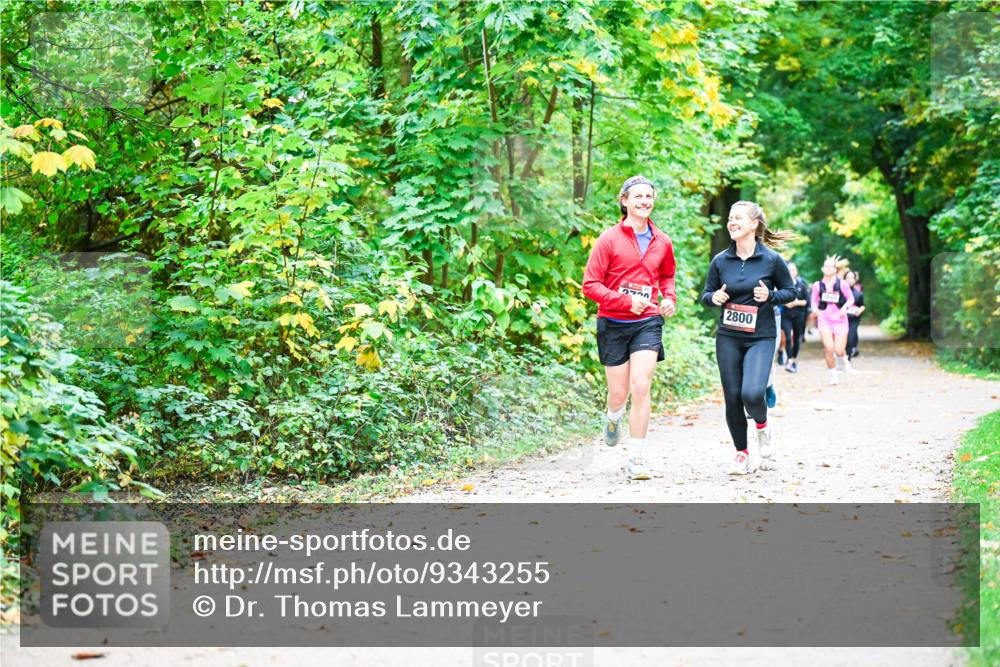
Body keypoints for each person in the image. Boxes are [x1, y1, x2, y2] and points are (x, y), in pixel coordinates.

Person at [582, 176, 677, 481]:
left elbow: (667, 277)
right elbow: (590, 286)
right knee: (618, 394)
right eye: (637, 196)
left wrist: (669, 299)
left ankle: (635, 458)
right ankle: (613, 417)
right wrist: (623, 301)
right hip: (612, 322)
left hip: (647, 322)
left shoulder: (662, 241)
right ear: (624, 201)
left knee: (641, 386)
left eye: (649, 196)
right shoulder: (608, 239)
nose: (644, 201)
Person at [701, 201, 796, 475]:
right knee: (732, 397)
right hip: (729, 336)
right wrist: (714, 298)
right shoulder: (720, 261)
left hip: (761, 336)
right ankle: (741, 454)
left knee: (751, 393)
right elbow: (706, 295)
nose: (732, 222)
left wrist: (770, 297)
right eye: (730, 218)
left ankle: (763, 427)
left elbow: (790, 292)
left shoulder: (771, 260)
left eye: (738, 218)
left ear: (754, 224)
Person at [811, 255, 856, 385]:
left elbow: (851, 299)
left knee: (839, 350)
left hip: (840, 320)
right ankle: (833, 375)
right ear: (822, 269)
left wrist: (845, 308)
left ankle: (843, 359)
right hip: (824, 319)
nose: (828, 268)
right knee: (829, 348)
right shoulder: (817, 285)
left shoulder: (842, 284)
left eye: (831, 266)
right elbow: (814, 301)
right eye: (826, 266)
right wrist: (815, 310)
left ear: (835, 270)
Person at [781, 261, 810, 372]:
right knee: (788, 337)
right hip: (786, 315)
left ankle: (793, 359)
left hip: (799, 315)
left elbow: (807, 302)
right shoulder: (782, 285)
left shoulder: (801, 286)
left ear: (796, 271)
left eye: (793, 269)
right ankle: (789, 360)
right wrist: (785, 303)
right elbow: (777, 299)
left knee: (797, 338)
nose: (791, 272)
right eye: (789, 270)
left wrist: (796, 302)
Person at [845, 270, 865, 359]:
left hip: (853, 319)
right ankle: (841, 356)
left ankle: (848, 358)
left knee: (850, 338)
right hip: (841, 319)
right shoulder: (840, 293)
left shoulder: (858, 294)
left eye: (852, 278)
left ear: (855, 280)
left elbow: (862, 305)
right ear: (844, 279)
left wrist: (860, 310)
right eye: (848, 278)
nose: (850, 280)